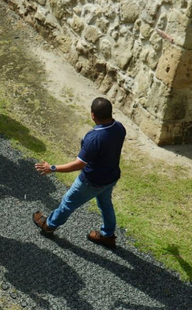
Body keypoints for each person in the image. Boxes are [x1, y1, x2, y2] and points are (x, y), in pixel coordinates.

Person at [32, 97, 126, 248]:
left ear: (93, 115)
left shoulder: (94, 138)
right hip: (111, 178)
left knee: (67, 203)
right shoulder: (120, 127)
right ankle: (108, 235)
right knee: (106, 205)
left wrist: (52, 168)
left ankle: (48, 225)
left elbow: (79, 164)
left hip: (91, 181)